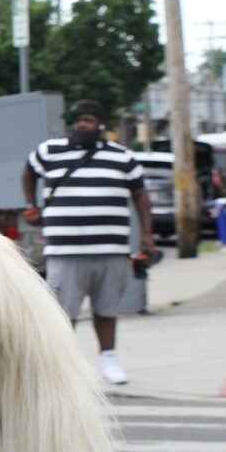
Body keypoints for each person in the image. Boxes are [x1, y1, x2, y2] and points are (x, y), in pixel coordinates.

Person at [21, 99, 154, 385]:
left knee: (106, 309)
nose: (82, 124)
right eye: (78, 120)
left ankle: (109, 360)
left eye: (89, 120)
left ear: (100, 125)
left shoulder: (122, 157)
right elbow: (28, 172)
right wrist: (31, 205)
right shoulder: (49, 151)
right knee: (62, 312)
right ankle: (63, 366)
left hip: (112, 249)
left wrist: (146, 234)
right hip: (64, 249)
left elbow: (141, 195)